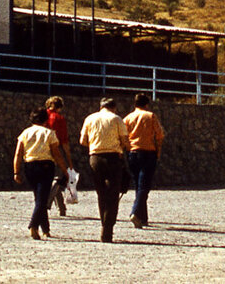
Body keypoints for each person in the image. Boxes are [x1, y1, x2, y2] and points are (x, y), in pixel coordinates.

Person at [79, 96, 130, 242]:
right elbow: (125, 140)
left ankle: (104, 223)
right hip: (113, 158)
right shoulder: (116, 119)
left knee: (101, 193)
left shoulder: (89, 118)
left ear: (101, 106)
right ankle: (108, 229)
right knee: (113, 194)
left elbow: (82, 141)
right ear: (113, 107)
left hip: (95, 157)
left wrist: (96, 143)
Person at [14, 108, 68, 240]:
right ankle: (33, 226)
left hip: (29, 166)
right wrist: (64, 170)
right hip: (45, 166)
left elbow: (18, 153)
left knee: (39, 198)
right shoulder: (49, 133)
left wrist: (16, 171)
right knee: (42, 199)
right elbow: (56, 154)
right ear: (46, 120)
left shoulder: (25, 133)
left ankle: (46, 230)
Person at [123, 93, 165, 229]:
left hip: (133, 153)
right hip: (148, 153)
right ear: (146, 104)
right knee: (144, 186)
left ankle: (143, 217)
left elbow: (123, 137)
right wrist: (158, 152)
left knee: (138, 185)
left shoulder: (128, 118)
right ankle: (135, 212)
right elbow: (160, 135)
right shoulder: (150, 116)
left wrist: (128, 148)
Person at [45, 96, 73, 216]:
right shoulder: (59, 119)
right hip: (55, 149)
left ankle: (62, 208)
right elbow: (64, 141)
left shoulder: (43, 116)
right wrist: (69, 160)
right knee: (58, 178)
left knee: (52, 177)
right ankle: (46, 203)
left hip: (41, 150)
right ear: (60, 107)